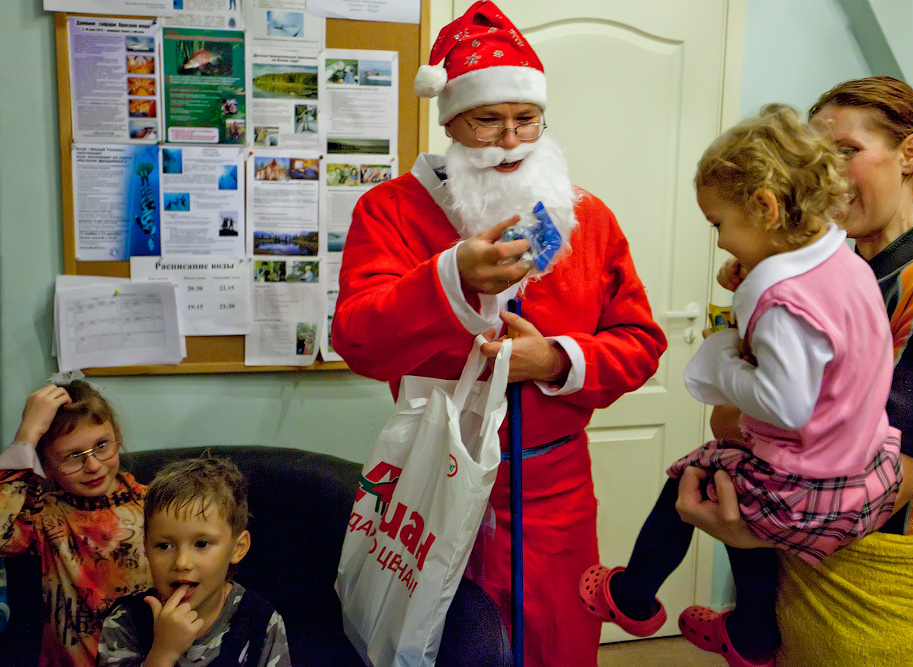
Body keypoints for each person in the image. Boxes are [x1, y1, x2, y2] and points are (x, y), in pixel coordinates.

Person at [330, 2, 666, 664]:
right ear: (451, 120)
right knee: (439, 644)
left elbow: (642, 342)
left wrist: (555, 359)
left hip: (556, 490)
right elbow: (357, 339)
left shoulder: (585, 216)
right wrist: (451, 278)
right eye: (487, 121)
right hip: (435, 477)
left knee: (557, 643)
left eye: (526, 120)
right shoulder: (391, 211)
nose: (511, 140)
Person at [679, 76, 913, 667]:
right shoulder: (837, 276)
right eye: (818, 153)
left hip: (888, 594)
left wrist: (748, 529)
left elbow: (889, 483)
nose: (827, 170)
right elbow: (748, 417)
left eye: (848, 151)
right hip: (806, 570)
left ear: (910, 155)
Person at [579, 104, 902, 667]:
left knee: (695, 477)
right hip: (863, 468)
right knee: (737, 480)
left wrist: (721, 356)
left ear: (766, 208)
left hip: (810, 483)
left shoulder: (783, 302)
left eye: (719, 225)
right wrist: (752, 271)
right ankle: (749, 632)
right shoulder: (840, 265)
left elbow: (785, 402)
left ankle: (634, 597)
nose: (722, 242)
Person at [0, 380, 152, 667]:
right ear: (45, 465)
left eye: (102, 446)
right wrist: (27, 435)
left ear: (117, 437)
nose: (93, 465)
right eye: (73, 456)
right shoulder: (43, 517)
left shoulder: (155, 505)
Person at [96, 456, 291, 667]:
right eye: (164, 546)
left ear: (238, 548)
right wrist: (162, 654)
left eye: (201, 544)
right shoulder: (125, 623)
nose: (182, 563)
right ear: (146, 548)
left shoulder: (261, 624)